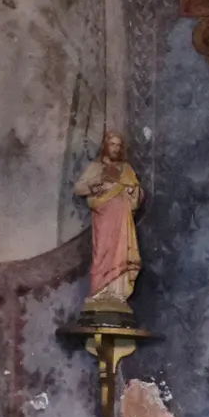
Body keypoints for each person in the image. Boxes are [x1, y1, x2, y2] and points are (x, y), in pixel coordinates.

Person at [72, 130, 144, 313]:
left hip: (122, 222)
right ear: (105, 146)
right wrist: (98, 184)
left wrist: (131, 192)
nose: (115, 148)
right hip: (104, 219)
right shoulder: (96, 167)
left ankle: (117, 294)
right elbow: (79, 188)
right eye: (112, 144)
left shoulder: (126, 169)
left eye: (119, 145)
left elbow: (137, 194)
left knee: (120, 253)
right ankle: (99, 293)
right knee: (102, 253)